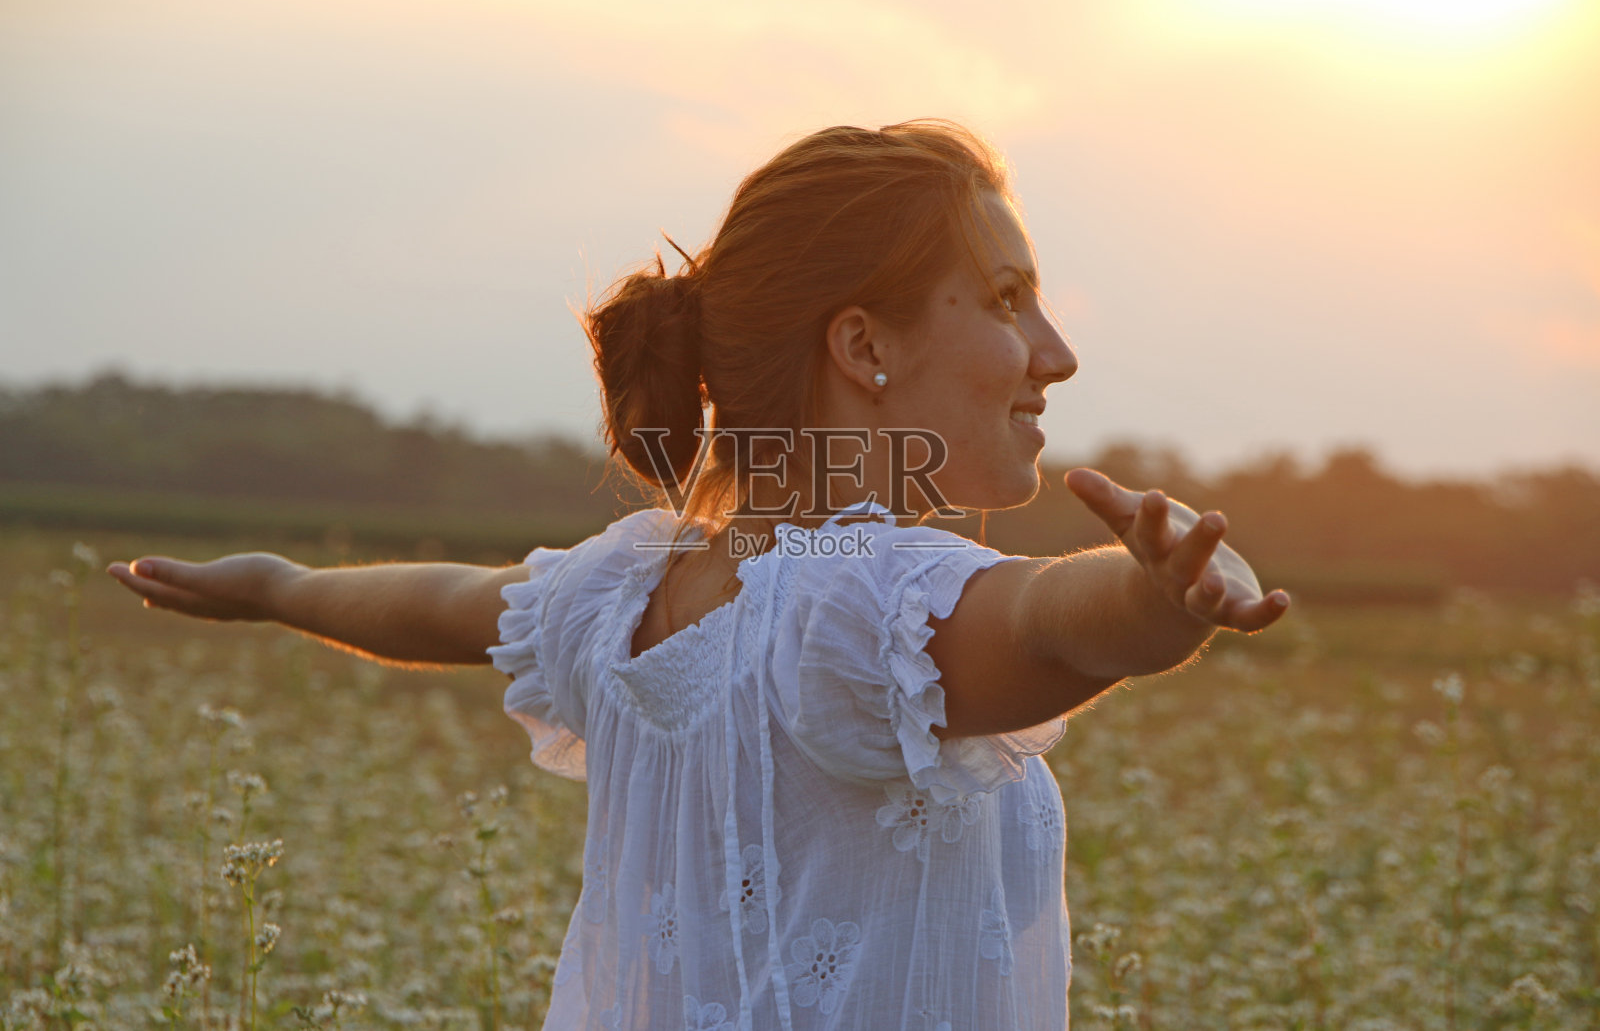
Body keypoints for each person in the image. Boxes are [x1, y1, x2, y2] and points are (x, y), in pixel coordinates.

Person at [109, 120, 1288, 1030]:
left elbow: (445, 604)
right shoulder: (859, 598)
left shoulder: (625, 592)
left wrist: (275, 586)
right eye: (1006, 299)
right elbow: (1041, 620)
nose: (1056, 353)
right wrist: (1149, 600)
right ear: (864, 344)